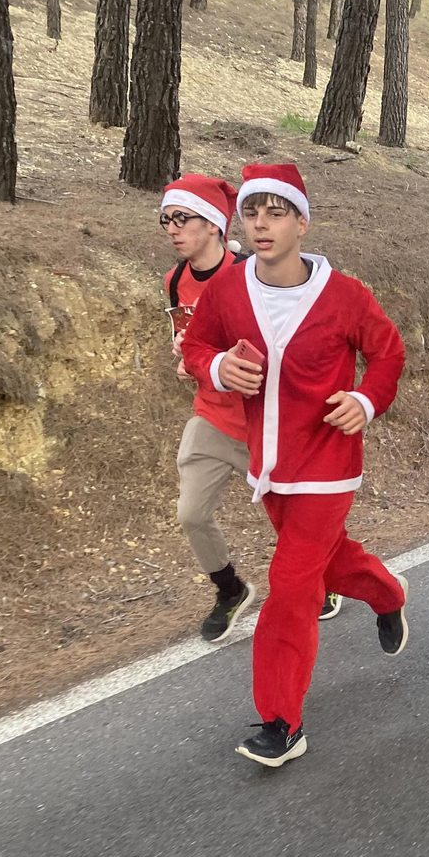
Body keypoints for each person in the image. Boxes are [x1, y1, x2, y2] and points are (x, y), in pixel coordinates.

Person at [180, 163, 410, 767]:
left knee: (290, 585)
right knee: (327, 561)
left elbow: (387, 353)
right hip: (270, 467)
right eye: (251, 212)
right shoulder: (228, 291)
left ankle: (281, 722)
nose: (260, 223)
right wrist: (215, 369)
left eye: (275, 212)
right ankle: (386, 594)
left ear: (302, 222)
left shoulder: (345, 296)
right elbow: (198, 347)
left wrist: (364, 400)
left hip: (330, 467)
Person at [158, 174, 260, 643]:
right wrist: (189, 363)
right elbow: (187, 341)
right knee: (191, 513)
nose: (173, 229)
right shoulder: (175, 279)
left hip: (262, 417)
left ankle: (325, 577)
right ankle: (230, 590)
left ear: (216, 225)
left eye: (183, 218)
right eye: (166, 220)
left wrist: (217, 361)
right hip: (212, 416)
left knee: (293, 515)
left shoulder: (251, 273)